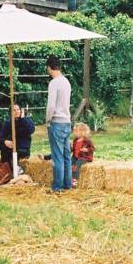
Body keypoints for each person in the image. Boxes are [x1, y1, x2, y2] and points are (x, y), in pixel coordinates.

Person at [45, 56, 72, 192]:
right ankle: (68, 184)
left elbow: (51, 106)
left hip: (57, 122)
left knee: (57, 156)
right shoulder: (66, 81)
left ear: (49, 67)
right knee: (66, 155)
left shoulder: (54, 83)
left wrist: (48, 120)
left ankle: (57, 187)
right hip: (67, 122)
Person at [0, 104, 36, 170]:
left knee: (19, 163)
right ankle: (7, 170)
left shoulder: (27, 120)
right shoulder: (8, 123)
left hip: (23, 148)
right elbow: (1, 136)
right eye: (14, 110)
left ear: (21, 111)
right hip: (10, 147)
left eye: (18, 109)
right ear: (10, 112)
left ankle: (18, 169)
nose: (16, 112)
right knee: (4, 150)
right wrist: (5, 141)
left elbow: (31, 130)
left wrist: (23, 119)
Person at [70, 122, 94, 187]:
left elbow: (92, 148)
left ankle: (75, 180)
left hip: (84, 157)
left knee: (77, 165)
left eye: (76, 131)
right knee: (69, 164)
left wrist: (87, 149)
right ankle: (69, 178)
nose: (74, 133)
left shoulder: (87, 140)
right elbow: (73, 149)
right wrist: (70, 148)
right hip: (75, 156)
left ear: (82, 132)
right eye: (74, 131)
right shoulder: (75, 140)